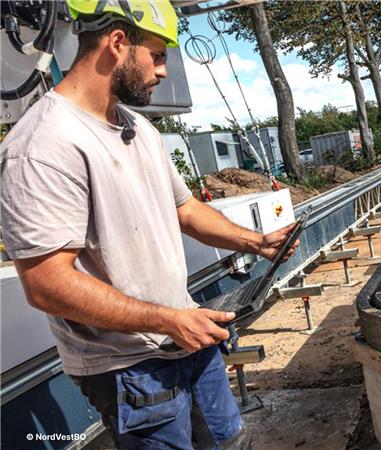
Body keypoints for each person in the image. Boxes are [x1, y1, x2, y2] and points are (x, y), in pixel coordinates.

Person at [0, 1, 298, 448]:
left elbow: (184, 209)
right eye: (157, 55)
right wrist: (167, 320)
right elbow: (46, 284)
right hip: (128, 367)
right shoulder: (42, 145)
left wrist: (256, 243)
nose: (162, 71)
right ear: (118, 43)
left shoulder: (139, 127)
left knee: (232, 442)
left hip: (186, 337)